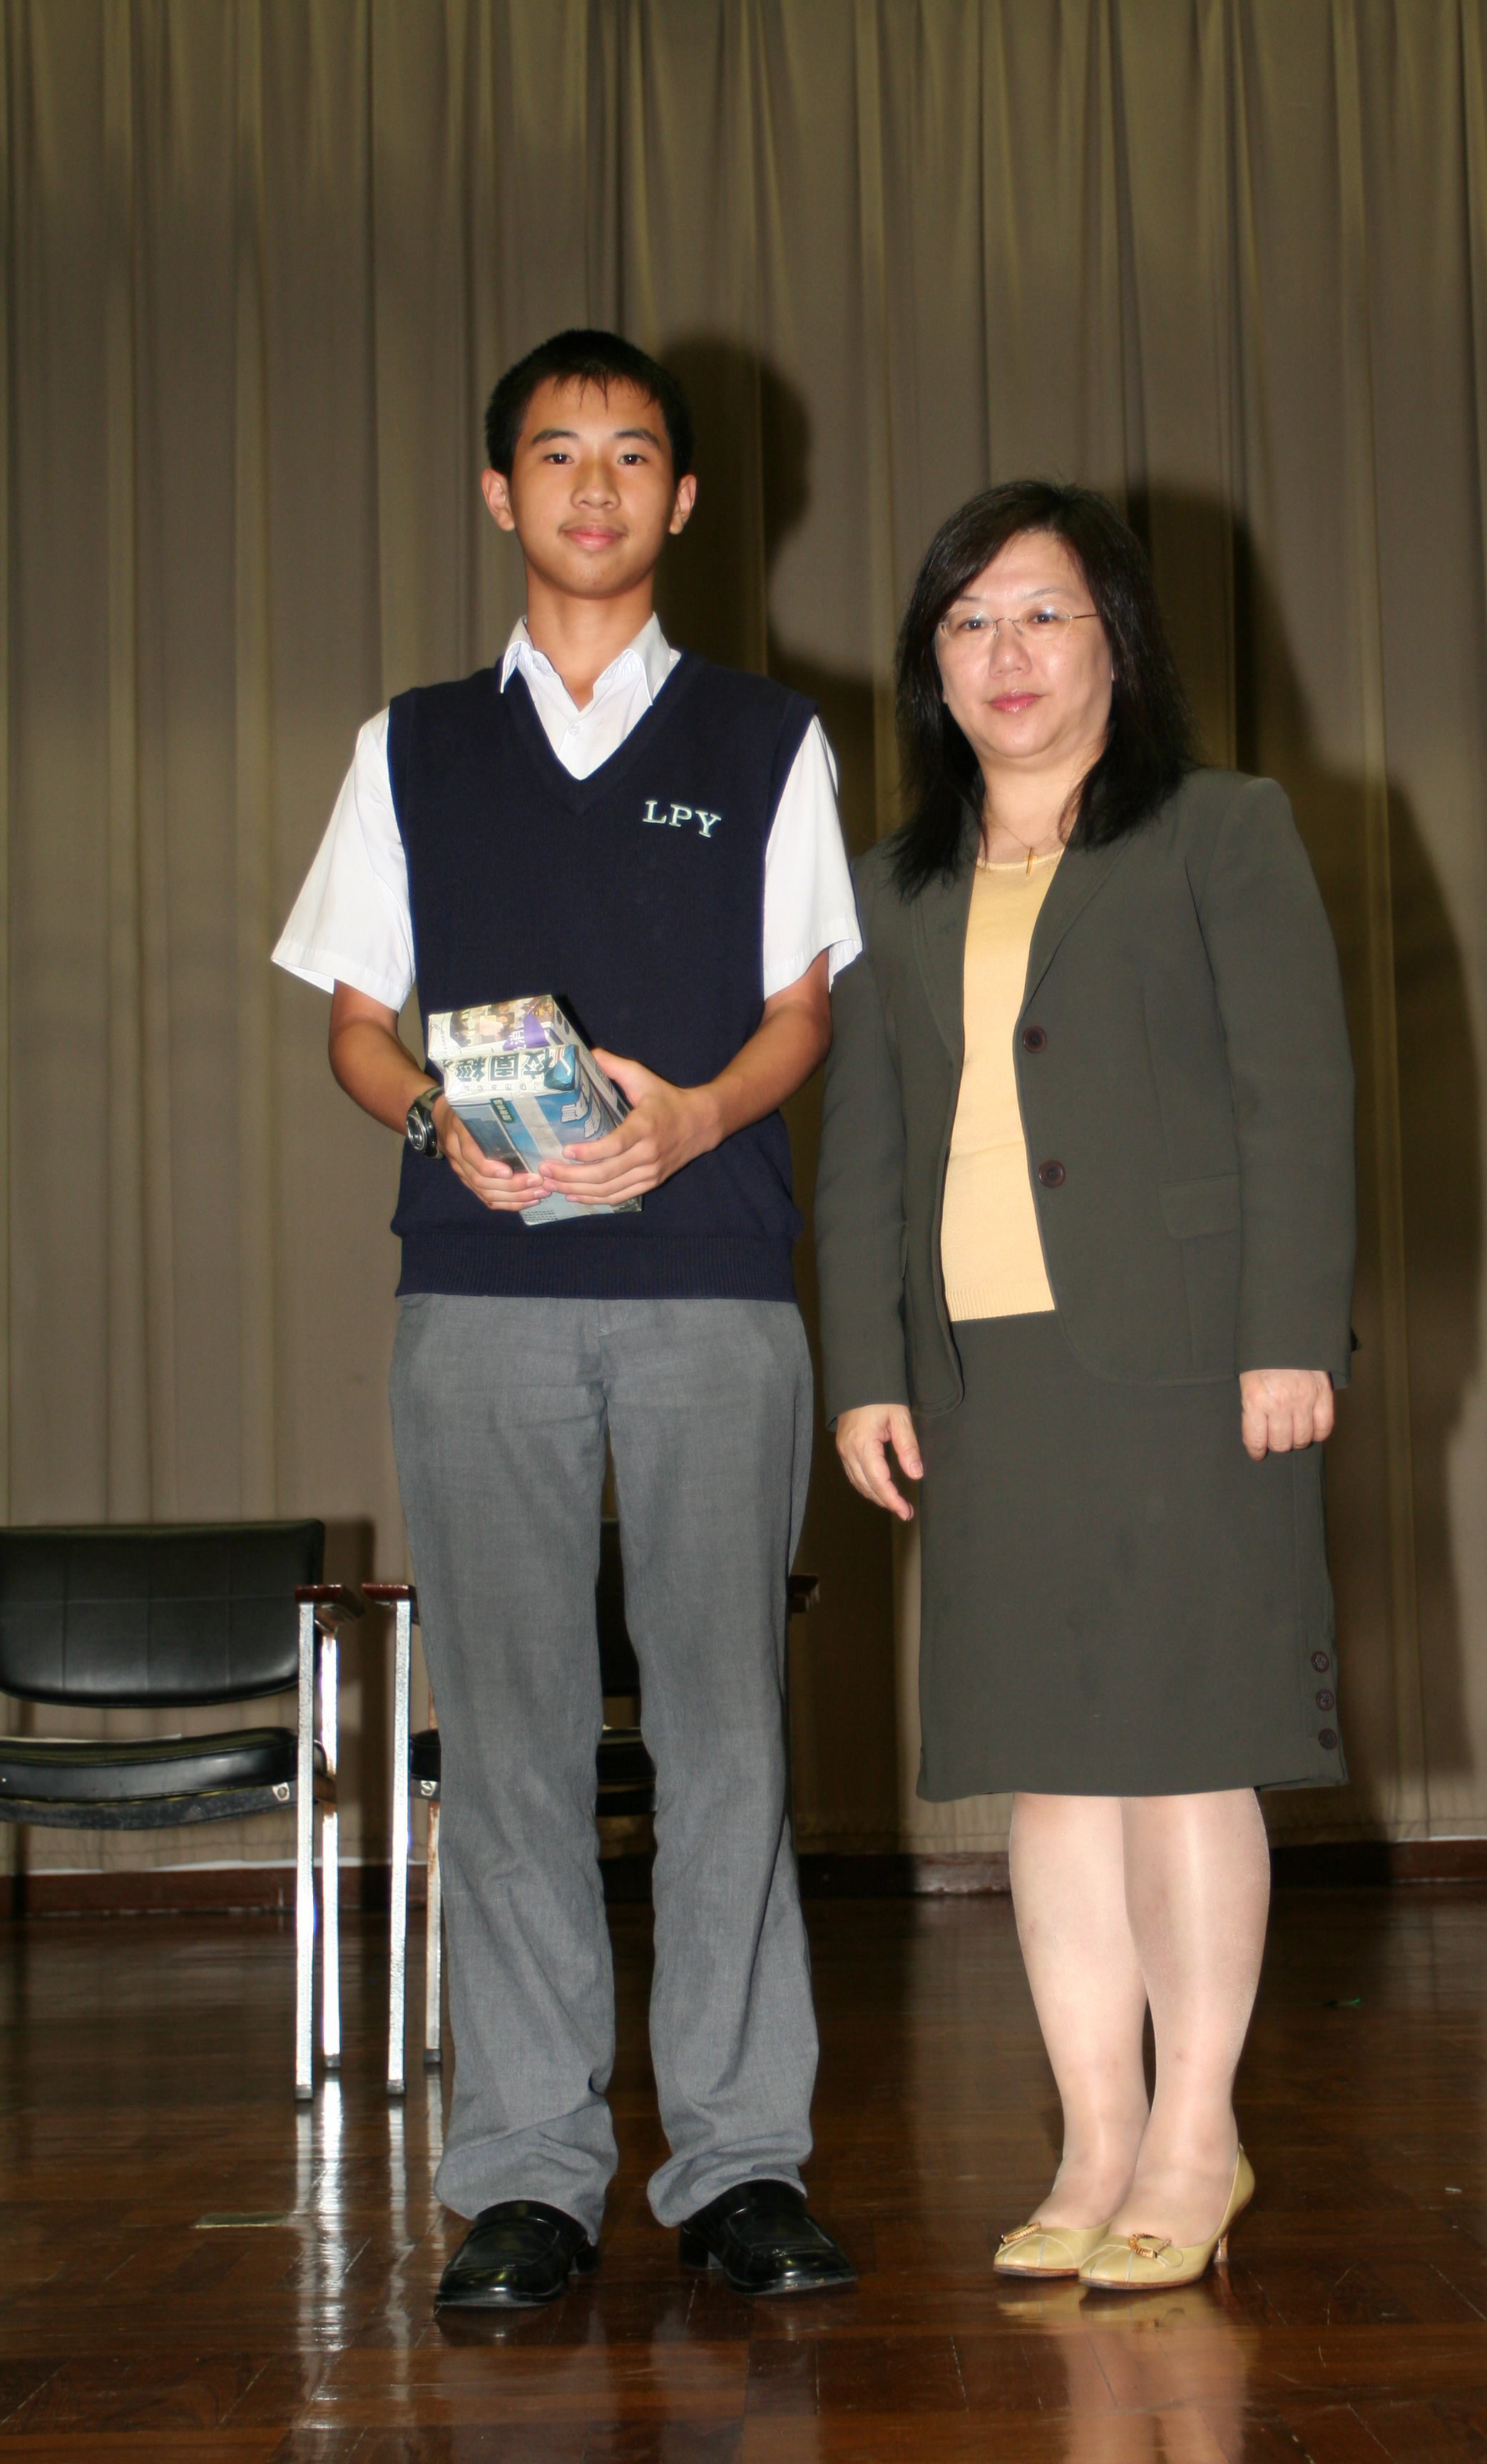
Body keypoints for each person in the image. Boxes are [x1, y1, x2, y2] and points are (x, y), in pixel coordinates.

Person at [274, 329, 861, 2307]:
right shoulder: (411, 746)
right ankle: (525, 2172)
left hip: (712, 1285)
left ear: (682, 499)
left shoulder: (771, 739)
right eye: (555, 453)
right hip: (483, 1288)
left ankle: (741, 2163)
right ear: (497, 494)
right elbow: (356, 1025)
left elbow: (804, 1009)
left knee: (727, 1733)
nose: (593, 486)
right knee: (510, 1735)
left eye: (629, 455)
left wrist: (693, 1118)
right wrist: (436, 1122)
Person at [814, 480, 1355, 2294]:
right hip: (989, 1376)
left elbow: (1298, 1095)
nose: (1007, 653)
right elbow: (865, 1149)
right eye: (968, 621)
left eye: (1043, 613)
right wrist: (867, 1369)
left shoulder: (1221, 828)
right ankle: (1095, 2138)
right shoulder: (894, 882)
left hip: (1192, 1363)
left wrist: (1292, 1330)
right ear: (931, 663)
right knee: (1048, 1777)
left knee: (1185, 1756)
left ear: (1116, 638)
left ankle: (1197, 2139)